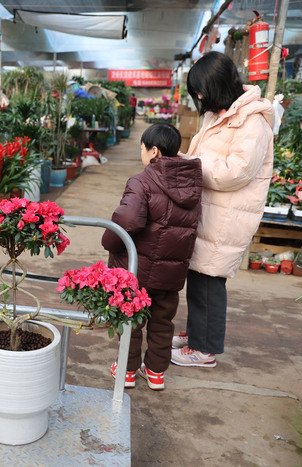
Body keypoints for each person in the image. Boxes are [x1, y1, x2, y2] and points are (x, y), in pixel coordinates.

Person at [170, 51, 274, 368]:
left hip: (227, 216)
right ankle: (198, 334)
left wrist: (191, 165)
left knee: (210, 284)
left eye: (201, 90)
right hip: (210, 212)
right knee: (199, 278)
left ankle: (205, 350)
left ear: (217, 85)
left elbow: (234, 171)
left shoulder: (252, 122)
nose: (198, 97)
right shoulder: (218, 114)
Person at [102, 122, 202, 390]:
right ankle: (156, 373)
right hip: (171, 274)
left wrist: (108, 241)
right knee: (162, 323)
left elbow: (128, 221)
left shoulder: (141, 181)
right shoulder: (192, 185)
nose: (142, 153)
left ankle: (126, 371)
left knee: (130, 321)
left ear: (154, 151)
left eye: (143, 148)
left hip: (138, 270)